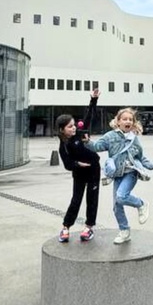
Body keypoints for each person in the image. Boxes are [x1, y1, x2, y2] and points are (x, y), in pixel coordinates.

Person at [85, 108, 153, 244]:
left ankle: (141, 204)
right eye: (125, 119)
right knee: (117, 206)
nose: (128, 121)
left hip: (131, 172)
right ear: (118, 122)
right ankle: (124, 231)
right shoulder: (110, 136)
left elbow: (141, 157)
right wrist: (87, 141)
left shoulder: (133, 139)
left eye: (130, 119)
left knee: (121, 196)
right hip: (117, 174)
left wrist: (151, 165)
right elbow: (97, 147)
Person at [54, 89, 101, 243]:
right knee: (76, 200)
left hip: (94, 169)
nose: (73, 128)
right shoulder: (64, 146)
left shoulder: (81, 133)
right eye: (69, 127)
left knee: (92, 199)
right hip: (79, 173)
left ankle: (88, 227)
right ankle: (66, 227)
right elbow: (68, 165)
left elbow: (89, 115)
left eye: (74, 125)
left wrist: (93, 99)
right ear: (62, 130)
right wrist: (78, 164)